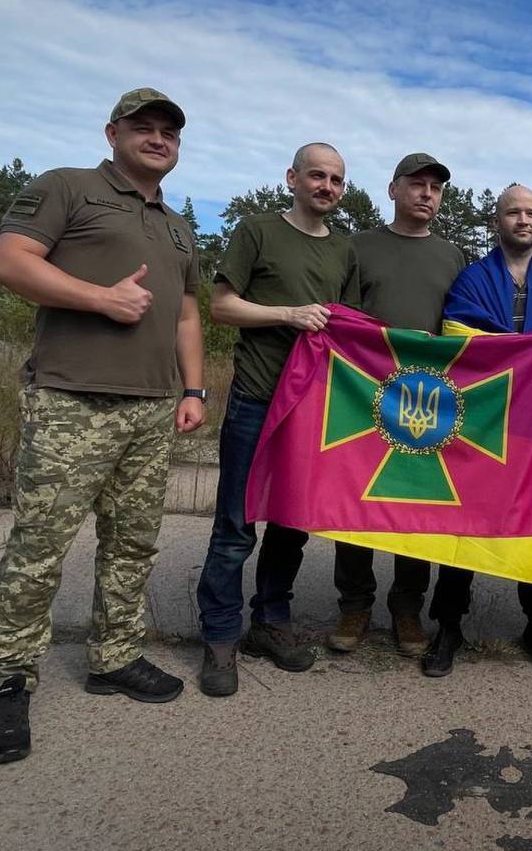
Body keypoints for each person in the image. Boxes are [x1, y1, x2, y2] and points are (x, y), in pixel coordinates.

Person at [0, 88, 206, 764]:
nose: (158, 137)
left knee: (134, 542)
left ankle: (114, 656)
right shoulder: (66, 188)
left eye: (170, 131)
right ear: (112, 132)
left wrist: (193, 388)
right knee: (40, 545)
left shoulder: (177, 225)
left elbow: (188, 314)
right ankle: (9, 679)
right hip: (70, 401)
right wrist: (99, 298)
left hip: (151, 406)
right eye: (144, 127)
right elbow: (9, 263)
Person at [194, 142, 359, 696]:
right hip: (256, 397)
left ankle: (271, 622)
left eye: (336, 180)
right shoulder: (257, 231)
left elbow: (353, 327)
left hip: (313, 409)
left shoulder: (344, 251)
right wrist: (287, 314)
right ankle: (220, 636)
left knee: (291, 523)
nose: (327, 187)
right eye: (317, 176)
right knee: (236, 525)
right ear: (292, 177)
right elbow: (221, 307)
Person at [421, 184, 532, 679]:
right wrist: (518, 353)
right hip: (482, 420)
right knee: (465, 521)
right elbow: (457, 338)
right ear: (497, 221)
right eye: (513, 211)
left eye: (531, 212)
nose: (522, 219)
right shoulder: (472, 279)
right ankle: (448, 625)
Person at [328, 153, 466, 657]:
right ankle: (355, 604)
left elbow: (460, 331)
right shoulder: (357, 248)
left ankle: (407, 608)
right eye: (416, 184)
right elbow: (341, 320)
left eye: (435, 187)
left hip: (426, 403)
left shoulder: (453, 257)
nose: (426, 193)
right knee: (356, 504)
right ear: (392, 190)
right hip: (363, 396)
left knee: (417, 508)